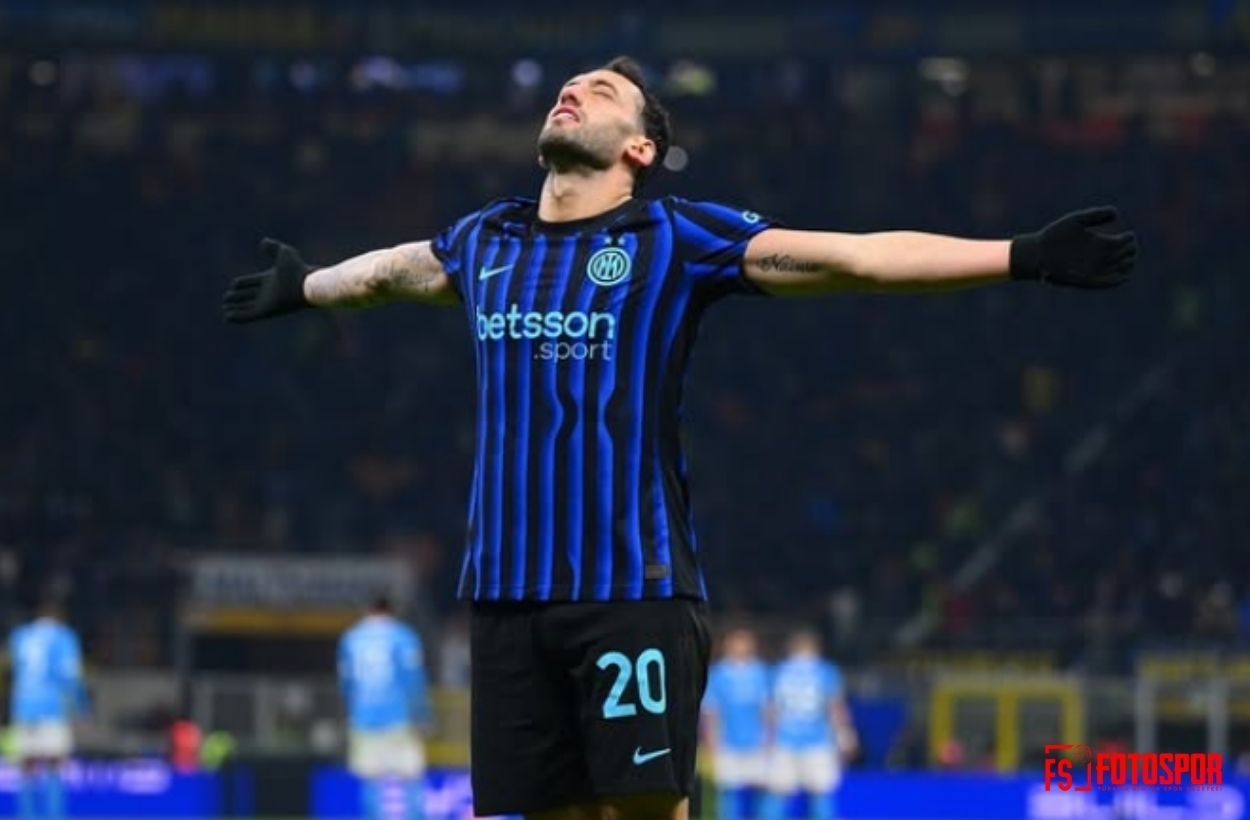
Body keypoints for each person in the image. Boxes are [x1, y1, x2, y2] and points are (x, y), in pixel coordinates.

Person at [222, 55, 1137, 820]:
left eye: (601, 92)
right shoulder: (486, 239)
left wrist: (1021, 256)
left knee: (647, 812)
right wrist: (305, 285)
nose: (573, 92)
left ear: (640, 149)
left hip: (631, 587)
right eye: (569, 86)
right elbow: (390, 272)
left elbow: (855, 257)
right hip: (504, 596)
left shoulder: (672, 235)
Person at [338, 595, 430, 820]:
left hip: (364, 718)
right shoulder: (403, 636)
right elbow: (413, 680)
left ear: (368, 610)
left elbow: (346, 684)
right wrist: (422, 714)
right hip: (400, 717)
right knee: (411, 776)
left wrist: (350, 713)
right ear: (391, 611)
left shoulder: (351, 638)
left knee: (371, 779)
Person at [762, 630, 856, 820]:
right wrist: (846, 737)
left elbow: (770, 710)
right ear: (816, 649)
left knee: (776, 793)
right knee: (821, 793)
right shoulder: (826, 671)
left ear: (790, 649)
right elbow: (834, 707)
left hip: (783, 739)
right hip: (817, 740)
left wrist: (766, 738)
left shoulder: (778, 671)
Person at [8, 600, 84, 820]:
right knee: (55, 762)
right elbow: (69, 675)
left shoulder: (20, 635)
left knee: (26, 764)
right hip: (51, 707)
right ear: (59, 618)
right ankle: (54, 815)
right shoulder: (63, 637)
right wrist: (81, 704)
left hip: (23, 706)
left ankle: (26, 815)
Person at [701, 627, 770, 820]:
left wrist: (768, 735)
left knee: (761, 789)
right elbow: (711, 710)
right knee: (727, 790)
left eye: (745, 642)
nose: (741, 646)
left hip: (756, 740)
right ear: (727, 645)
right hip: (727, 741)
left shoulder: (760, 672)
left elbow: (766, 708)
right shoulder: (718, 673)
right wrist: (712, 738)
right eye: (736, 642)